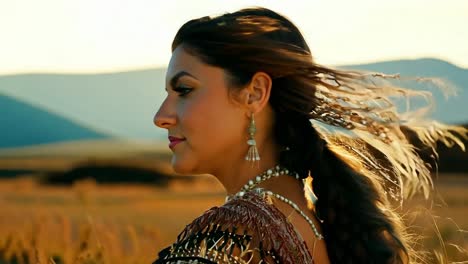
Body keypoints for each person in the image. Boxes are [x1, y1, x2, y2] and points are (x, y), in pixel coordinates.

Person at [152, 7, 467, 264]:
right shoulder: (314, 221)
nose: (161, 117)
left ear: (254, 94)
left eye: (184, 90)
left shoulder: (229, 239)